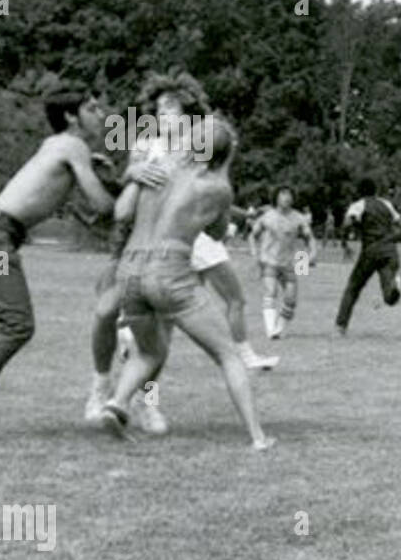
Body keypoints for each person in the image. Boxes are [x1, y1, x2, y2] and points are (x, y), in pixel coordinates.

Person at [99, 116, 273, 450]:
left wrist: (132, 175)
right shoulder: (218, 188)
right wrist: (224, 169)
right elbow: (218, 233)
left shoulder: (155, 168)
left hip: (130, 270)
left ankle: (117, 404)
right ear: (224, 154)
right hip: (169, 270)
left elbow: (121, 213)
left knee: (150, 351)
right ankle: (258, 437)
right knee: (228, 354)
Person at [0, 87, 115, 442]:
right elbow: (103, 207)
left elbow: (74, 203)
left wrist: (91, 168)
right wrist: (129, 180)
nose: (101, 114)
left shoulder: (59, 146)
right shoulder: (73, 146)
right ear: (72, 116)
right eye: (92, 108)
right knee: (15, 323)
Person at [334, 178, 401, 334]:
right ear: (376, 191)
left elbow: (347, 223)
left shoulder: (359, 205)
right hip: (390, 251)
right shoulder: (387, 204)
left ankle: (341, 325)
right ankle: (396, 287)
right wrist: (390, 239)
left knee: (353, 288)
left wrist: (344, 242)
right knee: (388, 296)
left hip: (370, 252)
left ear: (359, 192)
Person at [249, 186, 317, 339]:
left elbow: (309, 239)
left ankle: (279, 328)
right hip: (269, 260)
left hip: (292, 261)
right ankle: (270, 330)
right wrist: (255, 254)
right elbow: (252, 236)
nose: (287, 198)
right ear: (276, 198)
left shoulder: (299, 218)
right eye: (283, 194)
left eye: (289, 194)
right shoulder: (267, 216)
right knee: (270, 292)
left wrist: (311, 255)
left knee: (291, 300)